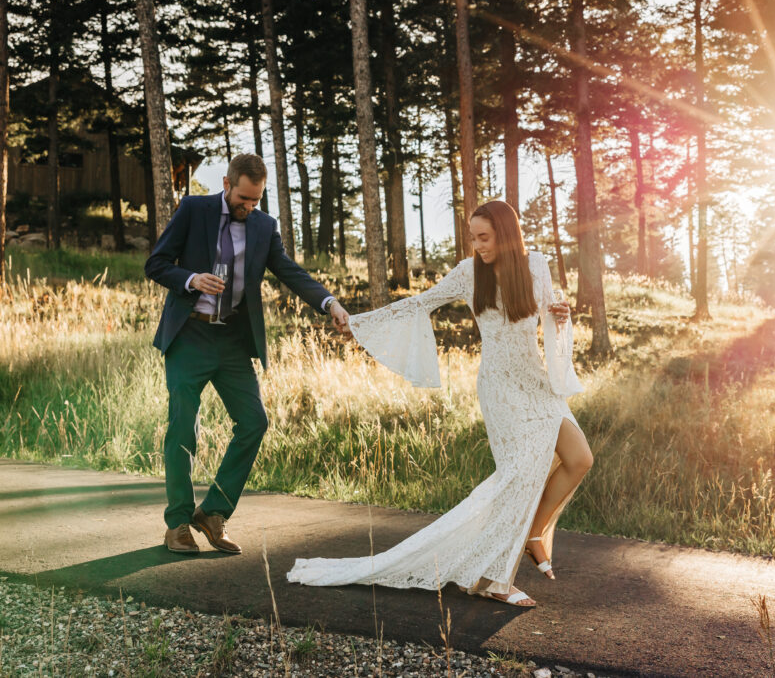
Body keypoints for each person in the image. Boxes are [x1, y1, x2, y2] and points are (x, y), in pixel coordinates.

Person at [288, 200, 593, 607]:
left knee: (579, 458)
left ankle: (534, 534)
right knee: (518, 476)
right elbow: (418, 304)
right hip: (500, 386)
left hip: (537, 382)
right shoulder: (469, 273)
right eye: (473, 237)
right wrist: (360, 324)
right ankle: (492, 579)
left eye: (484, 237)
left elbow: (551, 315)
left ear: (506, 234)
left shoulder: (536, 265)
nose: (478, 245)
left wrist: (561, 314)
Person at [145, 154, 351, 556]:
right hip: (189, 336)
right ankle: (178, 525)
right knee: (183, 428)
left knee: (254, 422)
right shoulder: (193, 209)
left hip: (234, 341)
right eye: (243, 198)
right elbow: (155, 264)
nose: (248, 207)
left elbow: (290, 271)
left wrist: (329, 303)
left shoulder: (263, 226)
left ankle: (215, 512)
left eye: (256, 200)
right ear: (226, 183)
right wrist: (190, 279)